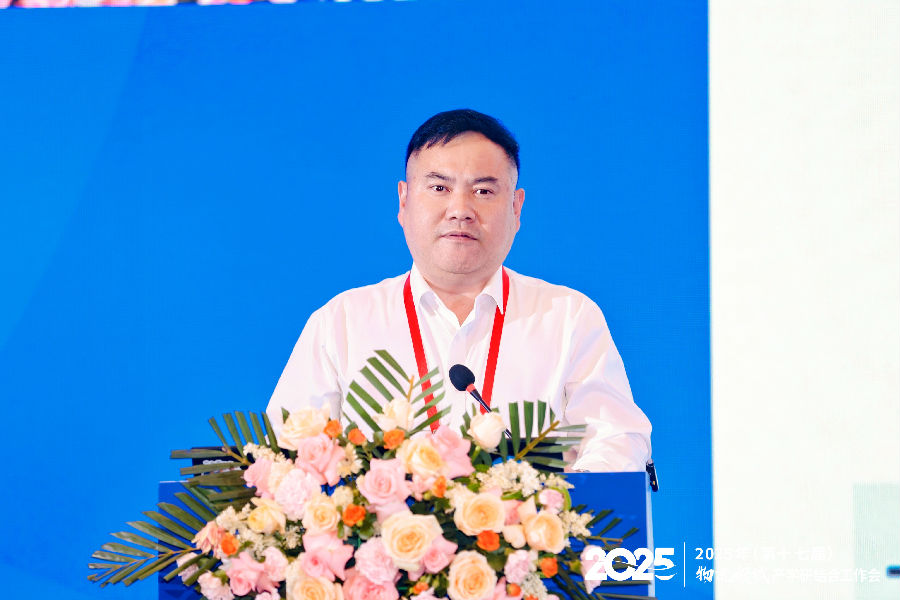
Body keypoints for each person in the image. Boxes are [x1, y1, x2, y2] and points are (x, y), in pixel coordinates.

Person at [266, 109, 651, 472]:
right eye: (439, 187)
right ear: (403, 201)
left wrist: (551, 503)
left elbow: (618, 439)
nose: (460, 209)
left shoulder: (568, 318)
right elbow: (283, 462)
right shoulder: (341, 323)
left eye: (483, 191)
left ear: (516, 208)